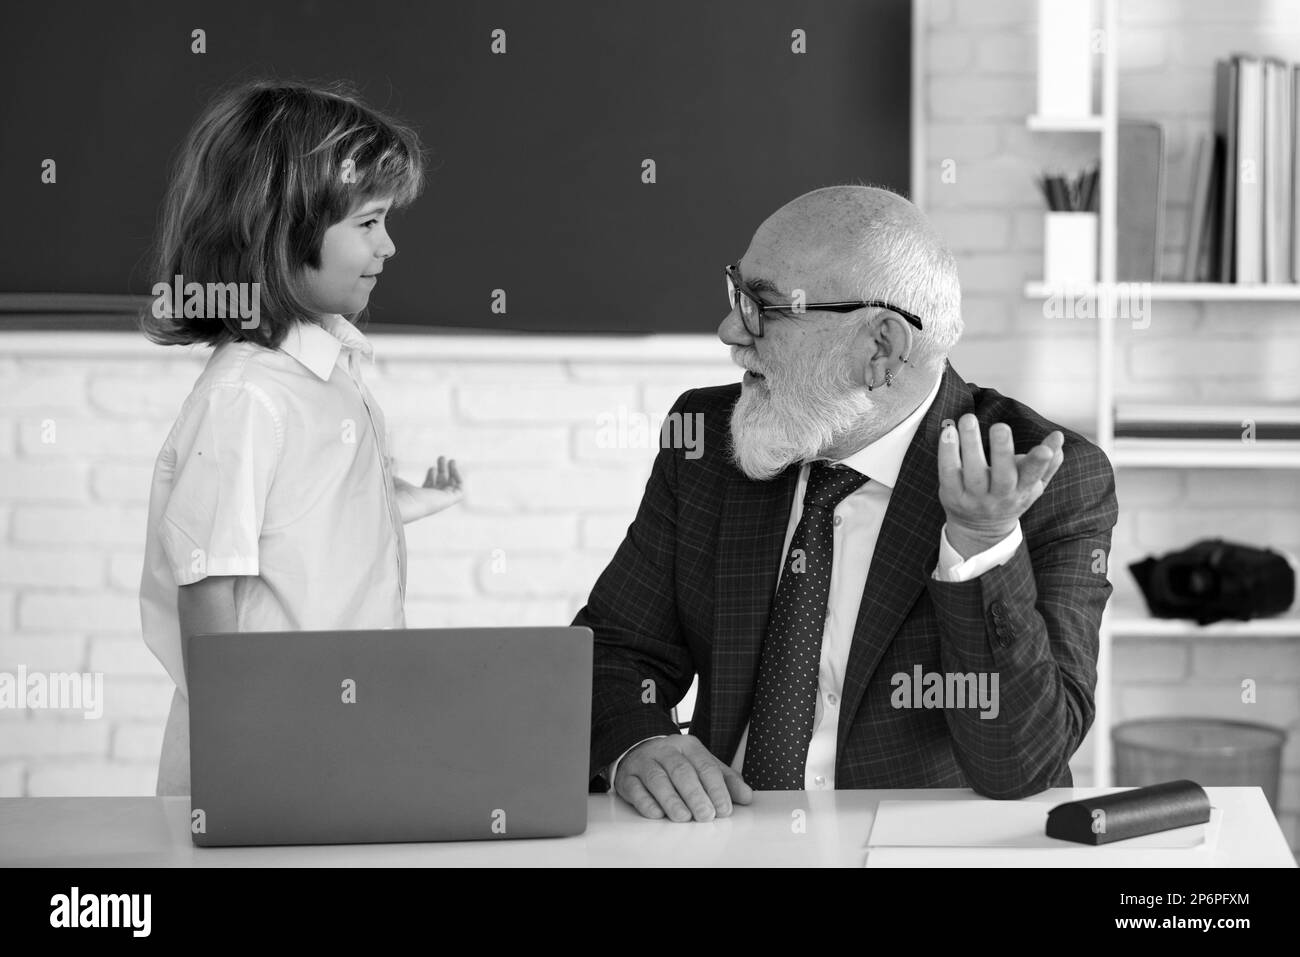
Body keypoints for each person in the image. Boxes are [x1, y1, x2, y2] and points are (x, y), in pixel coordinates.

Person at [574, 185, 1118, 822]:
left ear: (882, 347)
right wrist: (639, 743)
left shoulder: (1044, 478)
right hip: (721, 835)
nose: (729, 331)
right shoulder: (708, 434)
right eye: (736, 293)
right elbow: (615, 650)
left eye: (764, 308)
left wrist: (980, 543)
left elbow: (1021, 765)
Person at [138, 81, 464, 796]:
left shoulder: (327, 371)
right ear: (283, 231)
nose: (390, 245)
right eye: (370, 222)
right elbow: (208, 583)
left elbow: (307, 519)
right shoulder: (249, 396)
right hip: (265, 753)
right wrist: (236, 750)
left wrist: (410, 496)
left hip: (340, 731)